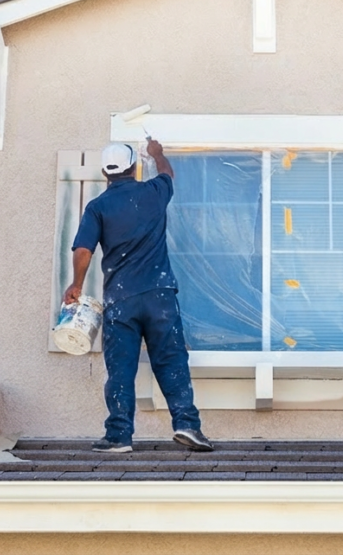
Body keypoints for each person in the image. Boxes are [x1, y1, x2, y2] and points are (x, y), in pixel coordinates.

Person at [63, 139, 212, 453]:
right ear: (134, 167)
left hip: (121, 300)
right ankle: (187, 425)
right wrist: (158, 154)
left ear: (106, 173)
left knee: (121, 368)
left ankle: (118, 436)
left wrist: (76, 284)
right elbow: (168, 173)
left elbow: (84, 249)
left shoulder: (98, 207)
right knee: (171, 360)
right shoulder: (153, 193)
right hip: (159, 295)